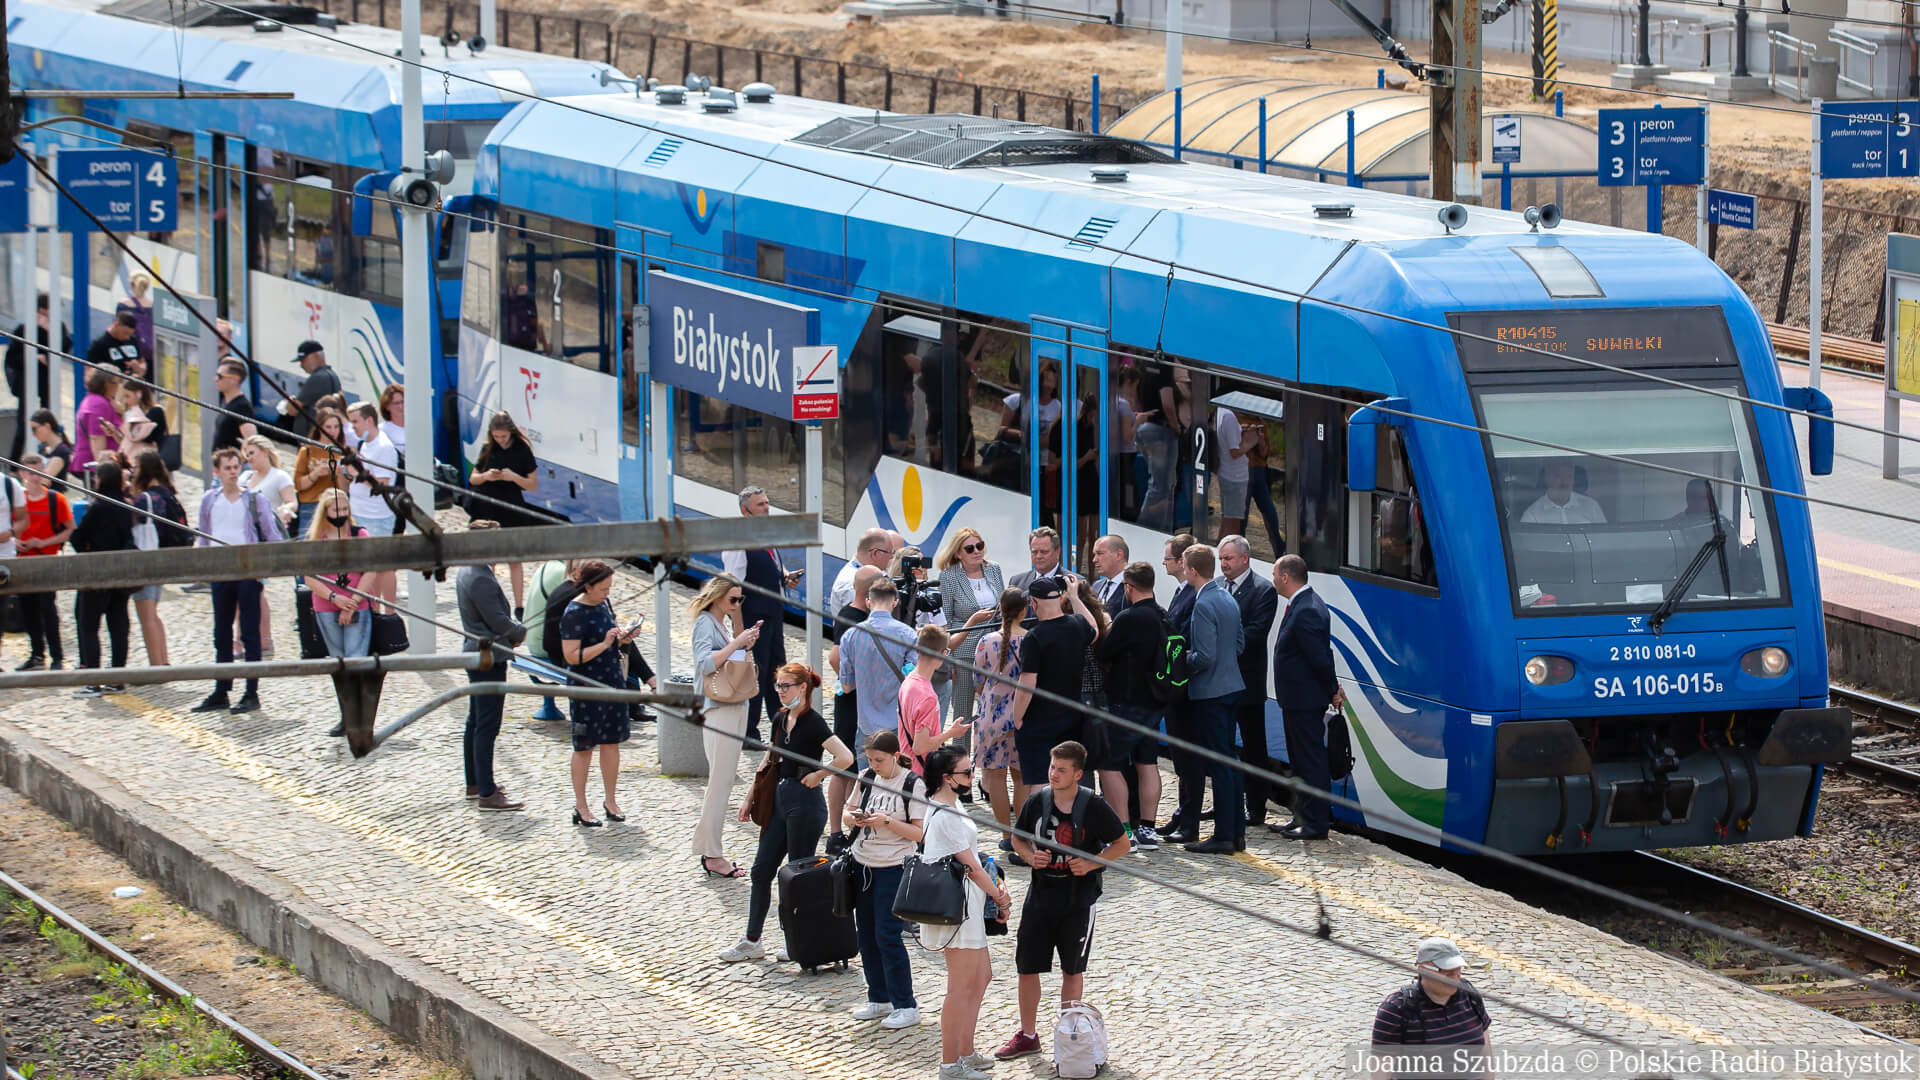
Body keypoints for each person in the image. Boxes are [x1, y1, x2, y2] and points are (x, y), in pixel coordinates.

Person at [997, 740, 1130, 1062]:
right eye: (1052, 767)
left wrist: (1092, 863)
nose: (1053, 774)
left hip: (1078, 900)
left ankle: (1069, 1037)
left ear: (1078, 774)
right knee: (1027, 968)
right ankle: (1028, 1035)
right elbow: (1018, 838)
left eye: (1061, 770)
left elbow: (1122, 844)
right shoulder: (1037, 801)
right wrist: (1030, 857)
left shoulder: (1093, 805)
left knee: (1072, 970)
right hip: (1040, 896)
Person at [722, 663, 852, 963]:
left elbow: (844, 756)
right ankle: (752, 940)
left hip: (805, 804)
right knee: (761, 870)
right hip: (780, 799)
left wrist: (819, 775)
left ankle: (797, 940)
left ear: (802, 687)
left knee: (796, 877)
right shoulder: (780, 718)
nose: (780, 691)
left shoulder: (814, 722)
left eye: (786, 686)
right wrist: (750, 796)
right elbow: (770, 757)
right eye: (778, 686)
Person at [920, 745, 1013, 1080]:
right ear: (947, 778)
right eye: (966, 772)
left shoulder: (949, 804)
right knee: (959, 988)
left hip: (967, 905)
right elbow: (970, 866)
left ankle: (965, 1050)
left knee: (980, 977)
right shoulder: (946, 813)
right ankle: (950, 1064)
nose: (972, 776)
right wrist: (1000, 898)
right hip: (956, 908)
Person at [190, 447, 284, 715]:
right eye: (227, 468)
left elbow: (271, 535)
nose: (233, 472)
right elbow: (205, 535)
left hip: (247, 572)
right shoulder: (210, 500)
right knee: (221, 631)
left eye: (236, 467)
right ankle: (221, 690)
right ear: (217, 472)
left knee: (250, 632)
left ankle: (251, 692)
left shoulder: (254, 500)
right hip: (221, 574)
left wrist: (264, 568)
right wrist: (202, 567)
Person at [848, 730, 927, 1028]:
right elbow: (846, 813)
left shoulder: (912, 784)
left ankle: (906, 1004)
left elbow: (918, 833)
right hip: (862, 864)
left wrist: (887, 821)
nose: (874, 765)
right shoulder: (867, 776)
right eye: (870, 759)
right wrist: (856, 817)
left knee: (887, 935)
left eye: (879, 760)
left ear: (895, 756)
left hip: (894, 867)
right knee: (866, 934)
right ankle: (879, 998)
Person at [558, 559, 642, 823]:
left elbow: (610, 639)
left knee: (611, 742)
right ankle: (581, 806)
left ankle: (611, 800)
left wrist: (623, 637)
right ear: (589, 586)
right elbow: (571, 656)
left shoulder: (603, 604)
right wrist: (605, 644)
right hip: (586, 687)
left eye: (609, 588)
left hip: (611, 681)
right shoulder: (574, 613)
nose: (608, 593)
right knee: (584, 746)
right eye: (604, 589)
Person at [690, 574, 763, 878]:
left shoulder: (720, 622)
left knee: (723, 782)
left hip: (733, 704)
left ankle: (711, 849)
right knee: (719, 783)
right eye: (732, 599)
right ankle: (711, 853)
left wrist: (745, 644)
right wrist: (737, 642)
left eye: (740, 599)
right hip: (718, 708)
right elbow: (704, 664)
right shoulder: (705, 623)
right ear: (717, 596)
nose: (736, 604)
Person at [1009, 575, 1098, 815]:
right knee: (1066, 778)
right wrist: (1075, 597)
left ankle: (1037, 831)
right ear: (1060, 599)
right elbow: (1094, 630)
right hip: (1071, 716)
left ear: (1034, 603)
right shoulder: (1077, 624)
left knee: (1041, 779)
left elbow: (1028, 681)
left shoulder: (1034, 636)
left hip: (1039, 720)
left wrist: (1017, 717)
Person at [721, 485, 801, 743]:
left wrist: (785, 576)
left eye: (767, 503)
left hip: (773, 614)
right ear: (746, 511)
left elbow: (772, 563)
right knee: (755, 672)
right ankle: (748, 732)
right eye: (760, 505)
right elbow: (733, 585)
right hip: (753, 617)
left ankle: (780, 727)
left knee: (776, 671)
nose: (767, 508)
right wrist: (739, 628)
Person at [1179, 543, 1245, 854]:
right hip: (1232, 686)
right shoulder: (1227, 597)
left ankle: (1224, 836)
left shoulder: (1203, 604)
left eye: (1184, 566)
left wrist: (1181, 659)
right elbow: (1239, 644)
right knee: (1229, 762)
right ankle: (1236, 834)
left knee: (1219, 765)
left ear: (1192, 570)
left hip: (1211, 691)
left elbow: (1204, 657)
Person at [1095, 561, 1167, 849]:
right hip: (1155, 703)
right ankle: (1148, 829)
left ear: (1128, 587)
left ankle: (1123, 831)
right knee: (1147, 764)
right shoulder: (1163, 615)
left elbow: (1104, 651)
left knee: (1109, 765)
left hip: (1125, 703)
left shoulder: (1128, 618)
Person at [1271, 553, 1342, 841]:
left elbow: (1320, 658)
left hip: (1305, 701)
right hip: (1295, 699)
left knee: (1310, 761)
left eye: (1275, 574)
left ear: (1286, 577)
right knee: (1299, 761)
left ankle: (1316, 823)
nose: (1273, 580)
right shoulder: (1301, 604)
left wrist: (1333, 689)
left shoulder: (1308, 609)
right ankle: (1301, 816)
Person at [1219, 535, 1279, 828]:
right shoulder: (1217, 586)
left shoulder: (1263, 590)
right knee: (1222, 745)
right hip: (1219, 683)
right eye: (1221, 558)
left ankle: (1255, 807)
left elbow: (1256, 633)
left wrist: (1218, 644)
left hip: (1247, 684)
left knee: (1254, 748)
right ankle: (1225, 802)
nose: (1223, 564)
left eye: (1228, 558)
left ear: (1245, 558)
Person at [1369, 937, 1491, 1078]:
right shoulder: (1396, 1010)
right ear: (1423, 970)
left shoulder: (1470, 996)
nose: (1455, 977)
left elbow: (1485, 1052)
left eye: (1458, 970)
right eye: (1447, 971)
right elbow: (1381, 1071)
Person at [824, 565, 884, 842]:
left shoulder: (859, 615)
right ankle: (837, 830)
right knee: (845, 767)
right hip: (851, 703)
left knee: (851, 770)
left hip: (856, 702)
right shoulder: (852, 618)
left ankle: (848, 829)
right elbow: (834, 658)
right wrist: (858, 683)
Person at [67, 460, 136, 697]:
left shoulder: (97, 507)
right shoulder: (125, 507)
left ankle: (93, 681)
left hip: (97, 574)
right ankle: (117, 679)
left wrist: (87, 550)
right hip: (120, 575)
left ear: (101, 479)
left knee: (88, 625)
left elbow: (77, 538)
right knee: (118, 627)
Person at [973, 586, 1031, 858]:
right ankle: (1020, 834)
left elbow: (978, 680)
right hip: (1023, 714)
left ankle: (1005, 835)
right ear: (1024, 611)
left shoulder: (986, 641)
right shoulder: (1032, 640)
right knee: (1021, 777)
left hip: (992, 714)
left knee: (995, 776)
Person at [936, 526, 1004, 740]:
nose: (977, 551)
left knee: (995, 706)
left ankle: (989, 753)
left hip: (994, 649)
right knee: (963, 712)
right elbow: (946, 620)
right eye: (970, 548)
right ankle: (960, 755)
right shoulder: (949, 576)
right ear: (958, 553)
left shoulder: (993, 569)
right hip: (964, 651)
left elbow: (1002, 608)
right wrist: (949, 658)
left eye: (979, 545)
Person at [836, 576, 918, 752]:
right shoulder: (908, 634)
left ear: (868, 602)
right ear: (895, 602)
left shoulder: (851, 635)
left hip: (866, 726)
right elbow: (912, 679)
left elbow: (846, 686)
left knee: (866, 768)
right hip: (898, 724)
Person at [469, 411, 541, 608]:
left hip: (511, 506)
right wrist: (486, 476)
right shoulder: (488, 448)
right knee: (490, 558)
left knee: (514, 559)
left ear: (511, 432)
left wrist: (513, 477)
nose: (500, 440)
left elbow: (532, 484)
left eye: (503, 436)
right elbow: (473, 478)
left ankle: (518, 605)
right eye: (496, 436)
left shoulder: (522, 450)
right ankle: (489, 602)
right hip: (488, 506)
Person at [1159, 533, 1202, 843]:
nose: (1164, 563)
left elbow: (1182, 637)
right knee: (1180, 758)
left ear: (1182, 561)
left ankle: (1190, 821)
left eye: (1167, 558)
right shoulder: (1182, 591)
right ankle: (1183, 813)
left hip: (1184, 688)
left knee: (1188, 758)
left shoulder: (1194, 594)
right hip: (1177, 687)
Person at [12, 453, 73, 670]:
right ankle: (37, 654)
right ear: (22, 474)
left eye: (39, 472)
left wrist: (44, 542)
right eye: (31, 473)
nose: (35, 477)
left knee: (48, 609)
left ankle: (57, 656)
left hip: (47, 560)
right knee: (28, 609)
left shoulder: (56, 499)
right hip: (23, 561)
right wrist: (15, 541)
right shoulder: (17, 500)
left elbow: (69, 529)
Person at [128, 451, 187, 667]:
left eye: (136, 467)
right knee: (153, 614)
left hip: (146, 560)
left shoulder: (145, 499)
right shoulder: (166, 493)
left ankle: (156, 665)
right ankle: (163, 661)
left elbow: (130, 521)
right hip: (163, 558)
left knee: (146, 616)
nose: (133, 471)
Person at [303, 489, 371, 660]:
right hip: (326, 604)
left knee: (356, 657)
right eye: (336, 510)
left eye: (344, 509)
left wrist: (353, 602)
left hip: (358, 603)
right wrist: (333, 597)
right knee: (337, 659)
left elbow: (371, 571)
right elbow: (309, 577)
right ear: (325, 512)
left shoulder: (359, 535)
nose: (341, 514)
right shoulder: (314, 539)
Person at [6, 295, 72, 465]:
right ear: (42, 310)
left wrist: (49, 331)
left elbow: (64, 348)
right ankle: (14, 463)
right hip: (27, 381)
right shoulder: (25, 329)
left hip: (47, 381)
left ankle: (50, 459)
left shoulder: (57, 328)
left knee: (49, 421)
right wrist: (33, 357)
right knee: (24, 424)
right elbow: (12, 359)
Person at [345, 403, 399, 607]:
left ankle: (388, 611)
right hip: (360, 512)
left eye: (355, 422)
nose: (353, 427)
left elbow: (382, 484)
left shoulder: (384, 447)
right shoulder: (365, 444)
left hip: (377, 516)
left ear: (369, 420)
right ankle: (374, 608)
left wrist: (356, 473)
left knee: (383, 566)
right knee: (369, 567)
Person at [889, 544, 951, 717]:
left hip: (924, 667)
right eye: (918, 564)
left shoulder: (929, 596)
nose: (924, 568)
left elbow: (943, 633)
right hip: (900, 666)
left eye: (924, 563)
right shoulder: (890, 593)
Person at [899, 624, 969, 774]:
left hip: (905, 768)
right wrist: (951, 733)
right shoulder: (928, 697)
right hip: (921, 773)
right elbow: (920, 747)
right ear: (943, 653)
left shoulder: (908, 681)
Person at [293, 408, 351, 538]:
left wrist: (339, 474)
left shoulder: (344, 452)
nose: (332, 431)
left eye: (336, 427)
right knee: (308, 542)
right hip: (310, 505)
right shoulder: (307, 451)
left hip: (336, 506)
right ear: (319, 428)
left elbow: (346, 490)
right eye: (328, 427)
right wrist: (316, 474)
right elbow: (298, 484)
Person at [276, 341, 341, 438]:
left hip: (312, 437)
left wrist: (289, 403)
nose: (301, 365)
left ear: (316, 356)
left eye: (303, 360)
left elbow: (293, 410)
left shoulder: (317, 378)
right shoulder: (333, 375)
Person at [71, 367, 123, 482]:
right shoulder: (98, 404)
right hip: (99, 470)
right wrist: (102, 471)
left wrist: (122, 413)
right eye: (117, 382)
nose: (119, 386)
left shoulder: (97, 400)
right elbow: (96, 438)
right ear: (106, 384)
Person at [829, 528, 896, 613]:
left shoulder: (863, 574)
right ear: (875, 553)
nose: (892, 557)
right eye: (890, 552)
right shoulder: (852, 586)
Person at [1521, 461, 1605, 525]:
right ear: (1547, 478)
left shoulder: (1591, 506)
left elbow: (1603, 538)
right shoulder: (1532, 514)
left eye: (1569, 476)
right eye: (1558, 476)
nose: (1564, 482)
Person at [1214, 404, 1251, 539]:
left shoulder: (1221, 411)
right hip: (1235, 477)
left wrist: (1240, 431)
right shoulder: (1229, 416)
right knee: (1233, 527)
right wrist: (1251, 441)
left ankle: (1219, 549)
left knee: (1227, 521)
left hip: (1227, 474)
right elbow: (1234, 452)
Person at [210, 358, 258, 453]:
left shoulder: (242, 407)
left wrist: (239, 460)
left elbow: (252, 442)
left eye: (220, 376)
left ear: (235, 379)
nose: (215, 379)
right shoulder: (226, 401)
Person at [28, 412, 73, 493]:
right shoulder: (42, 448)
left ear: (47, 426)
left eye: (34, 429)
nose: (33, 434)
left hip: (53, 498)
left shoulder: (61, 451)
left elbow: (43, 480)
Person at [1009, 526, 1063, 591]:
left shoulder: (1071, 583)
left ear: (1057, 552)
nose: (1038, 556)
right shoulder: (1017, 582)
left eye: (1044, 552)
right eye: (1034, 552)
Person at [1089, 534, 1130, 614]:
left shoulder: (1136, 586)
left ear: (1118, 555)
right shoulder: (1096, 586)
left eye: (1100, 553)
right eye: (1094, 555)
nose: (1094, 560)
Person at [377, 384, 407, 458]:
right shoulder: (381, 430)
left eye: (403, 402)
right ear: (387, 406)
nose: (401, 406)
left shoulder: (417, 427)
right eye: (396, 403)